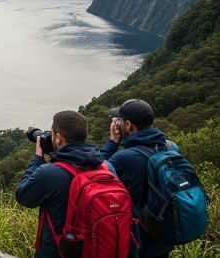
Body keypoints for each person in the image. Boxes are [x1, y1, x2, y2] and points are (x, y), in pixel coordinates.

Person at [15, 110, 113, 258]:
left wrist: (37, 158)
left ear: (59, 138)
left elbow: (22, 196)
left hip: (57, 251)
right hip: (97, 249)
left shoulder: (48, 173)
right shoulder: (107, 167)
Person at [102, 99, 176, 258]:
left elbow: (95, 170)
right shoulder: (170, 146)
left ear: (127, 125)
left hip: (138, 244)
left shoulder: (125, 158)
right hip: (165, 237)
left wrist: (112, 142)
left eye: (119, 121)